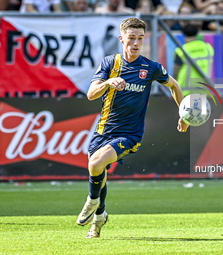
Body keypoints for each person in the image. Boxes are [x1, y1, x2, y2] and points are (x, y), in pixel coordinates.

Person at [76, 17, 188, 238]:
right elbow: (91, 94)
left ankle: (91, 201)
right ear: (121, 39)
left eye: (140, 39)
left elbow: (174, 85)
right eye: (131, 38)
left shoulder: (151, 67)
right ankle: (99, 218)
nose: (136, 43)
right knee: (98, 171)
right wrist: (108, 82)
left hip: (129, 134)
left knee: (96, 163)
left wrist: (183, 114)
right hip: (103, 131)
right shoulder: (110, 63)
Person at [173, 23, 214, 97]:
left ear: (184, 34)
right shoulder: (208, 48)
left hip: (185, 91)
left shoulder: (181, 50)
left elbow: (175, 71)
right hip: (203, 90)